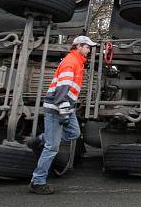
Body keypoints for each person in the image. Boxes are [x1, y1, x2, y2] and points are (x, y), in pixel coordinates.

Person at [28, 35, 97, 194]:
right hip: (57, 108)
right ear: (78, 46)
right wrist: (64, 111)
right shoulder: (71, 62)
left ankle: (41, 139)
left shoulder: (77, 62)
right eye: (87, 47)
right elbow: (62, 89)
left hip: (66, 107)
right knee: (52, 147)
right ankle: (37, 182)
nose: (89, 50)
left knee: (74, 133)